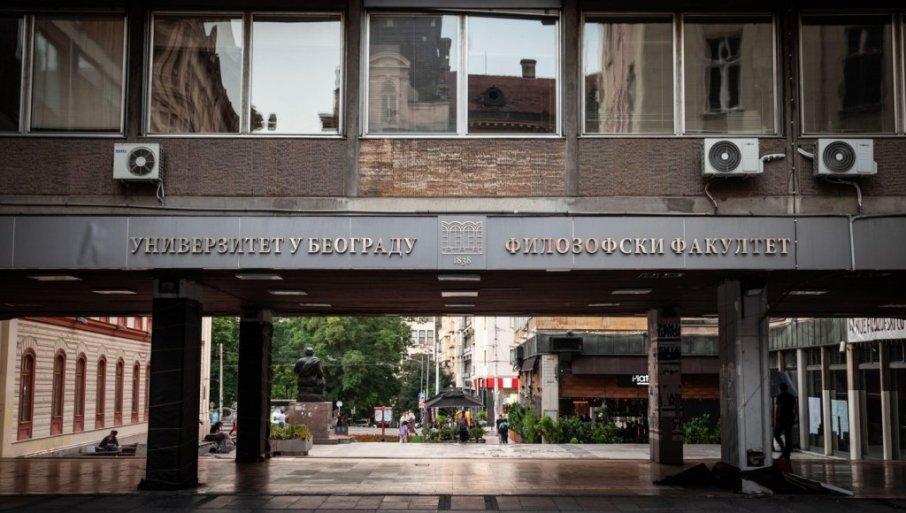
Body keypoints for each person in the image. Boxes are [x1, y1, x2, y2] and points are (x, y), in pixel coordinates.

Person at [774, 382, 797, 459]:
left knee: (776, 434)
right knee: (788, 436)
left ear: (780, 389)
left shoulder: (780, 396)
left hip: (782, 419)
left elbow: (778, 409)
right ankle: (787, 453)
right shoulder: (792, 397)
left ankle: (784, 450)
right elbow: (795, 409)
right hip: (790, 419)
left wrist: (776, 419)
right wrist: (794, 418)